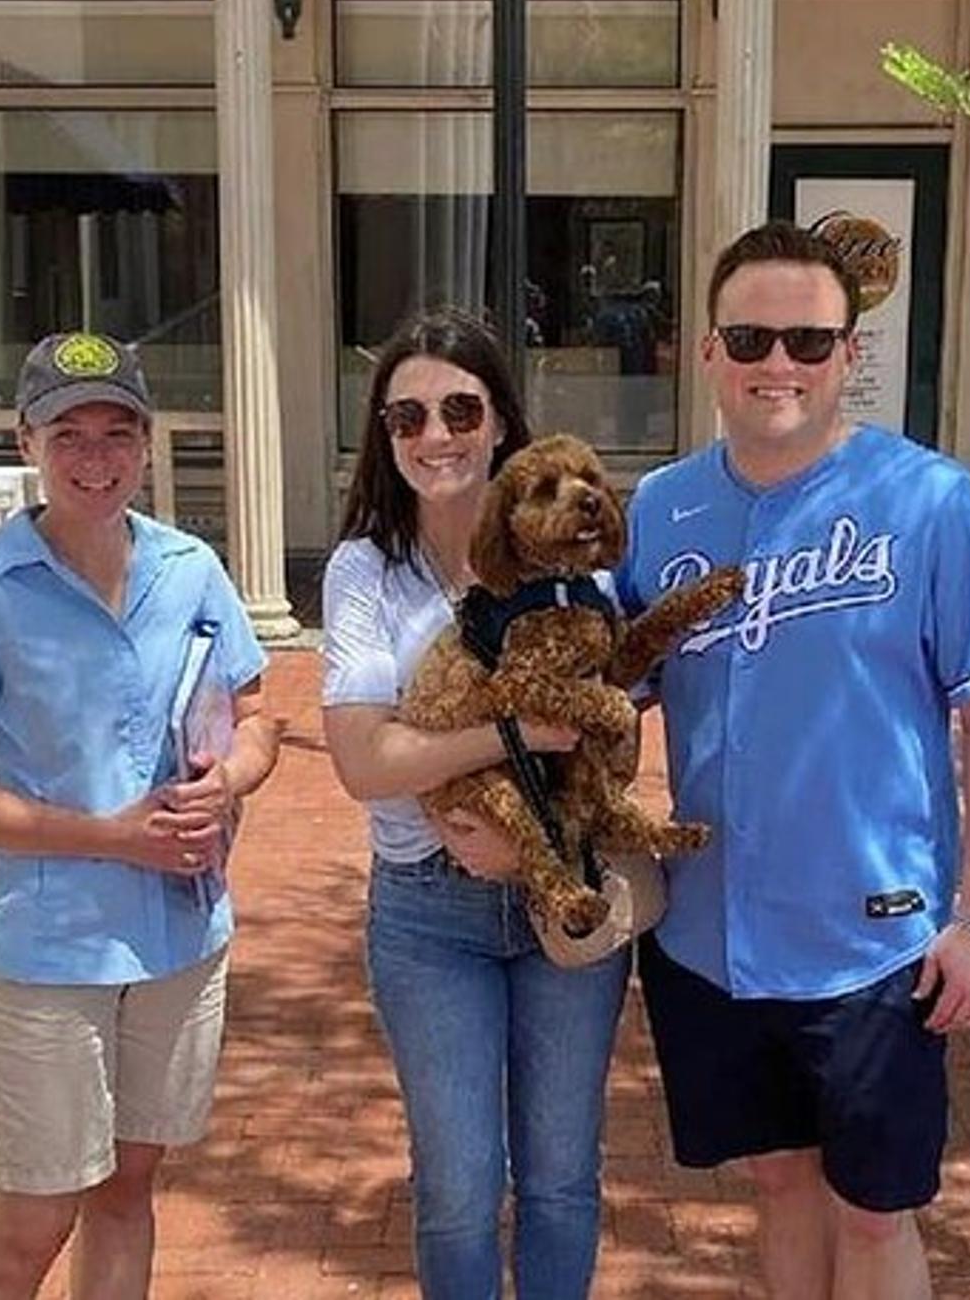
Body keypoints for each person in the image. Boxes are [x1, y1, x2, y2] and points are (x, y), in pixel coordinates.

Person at [614, 222, 970, 1300]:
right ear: (709, 351)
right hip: (709, 933)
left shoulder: (929, 500)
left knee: (872, 1212)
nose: (780, 363)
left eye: (809, 343)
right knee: (776, 1178)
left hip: (876, 939)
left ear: (848, 356)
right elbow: (609, 702)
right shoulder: (659, 507)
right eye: (752, 337)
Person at [0, 331, 280, 1300]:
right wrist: (112, 835)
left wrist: (225, 778)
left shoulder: (191, 569)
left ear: (147, 446)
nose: (96, 459)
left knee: (127, 1187)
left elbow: (260, 718)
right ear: (27, 442)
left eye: (118, 432)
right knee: (29, 1220)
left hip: (180, 939)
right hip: (49, 954)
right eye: (70, 433)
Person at [320, 307, 627, 1300]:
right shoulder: (365, 570)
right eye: (404, 418)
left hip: (562, 905)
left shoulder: (576, 563)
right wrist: (509, 742)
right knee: (455, 1188)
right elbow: (363, 762)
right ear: (384, 436)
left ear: (499, 422)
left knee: (559, 1181)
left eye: (458, 408)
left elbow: (611, 733)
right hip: (426, 913)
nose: (434, 435)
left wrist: (538, 828)